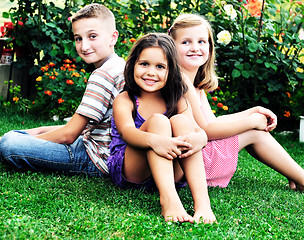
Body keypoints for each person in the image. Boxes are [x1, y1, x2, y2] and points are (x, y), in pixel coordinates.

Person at [168, 13, 304, 190]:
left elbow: (213, 122)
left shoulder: (196, 85)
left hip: (191, 156)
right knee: (255, 133)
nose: (195, 47)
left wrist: (252, 111)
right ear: (171, 46)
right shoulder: (181, 81)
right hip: (187, 162)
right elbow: (208, 131)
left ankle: (296, 175)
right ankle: (301, 177)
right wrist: (251, 122)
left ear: (210, 47)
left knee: (254, 130)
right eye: (186, 42)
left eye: (202, 42)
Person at [0, 3, 125, 177]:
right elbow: (81, 127)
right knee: (18, 135)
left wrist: (28, 140)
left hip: (95, 157)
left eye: (93, 36)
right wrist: (37, 131)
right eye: (78, 38)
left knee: (9, 144)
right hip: (96, 145)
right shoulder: (120, 65)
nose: (84, 46)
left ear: (113, 37)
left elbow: (69, 135)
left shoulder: (103, 75)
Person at [107, 33, 216, 224]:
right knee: (158, 121)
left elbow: (195, 130)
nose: (151, 72)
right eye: (144, 64)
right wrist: (156, 141)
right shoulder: (125, 99)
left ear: (171, 70)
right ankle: (169, 200)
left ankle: (203, 204)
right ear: (132, 64)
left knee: (182, 122)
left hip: (171, 170)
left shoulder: (177, 99)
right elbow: (127, 132)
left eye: (160, 67)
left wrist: (202, 138)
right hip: (133, 170)